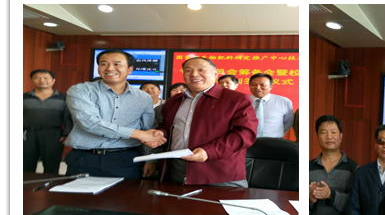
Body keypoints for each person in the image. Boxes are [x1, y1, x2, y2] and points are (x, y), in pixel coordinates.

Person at [152, 57, 258, 186]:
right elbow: (167, 126)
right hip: (177, 170)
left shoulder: (236, 99)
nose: (194, 74)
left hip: (220, 173)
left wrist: (209, 151)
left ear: (215, 74)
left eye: (201, 70)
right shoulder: (174, 101)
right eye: (188, 70)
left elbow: (245, 134)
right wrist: (161, 133)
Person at [64, 49, 166, 179]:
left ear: (129, 69)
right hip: (84, 158)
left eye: (117, 64)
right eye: (104, 64)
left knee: (125, 193)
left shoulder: (143, 97)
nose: (110, 68)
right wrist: (140, 134)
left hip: (125, 159)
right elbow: (90, 123)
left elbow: (148, 128)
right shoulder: (80, 91)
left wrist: (149, 159)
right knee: (78, 193)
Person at [23, 69, 73, 174]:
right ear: (31, 80)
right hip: (27, 134)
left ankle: (50, 184)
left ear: (53, 80)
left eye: (46, 78)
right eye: (37, 78)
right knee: (25, 166)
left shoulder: (64, 98)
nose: (42, 80)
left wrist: (66, 134)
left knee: (52, 166)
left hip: (53, 134)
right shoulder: (23, 98)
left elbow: (68, 118)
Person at [249, 73, 294, 138]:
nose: (257, 87)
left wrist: (277, 134)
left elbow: (289, 122)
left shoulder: (284, 102)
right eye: (253, 85)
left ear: (271, 86)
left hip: (274, 141)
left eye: (262, 85)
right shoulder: (241, 101)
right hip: (246, 141)